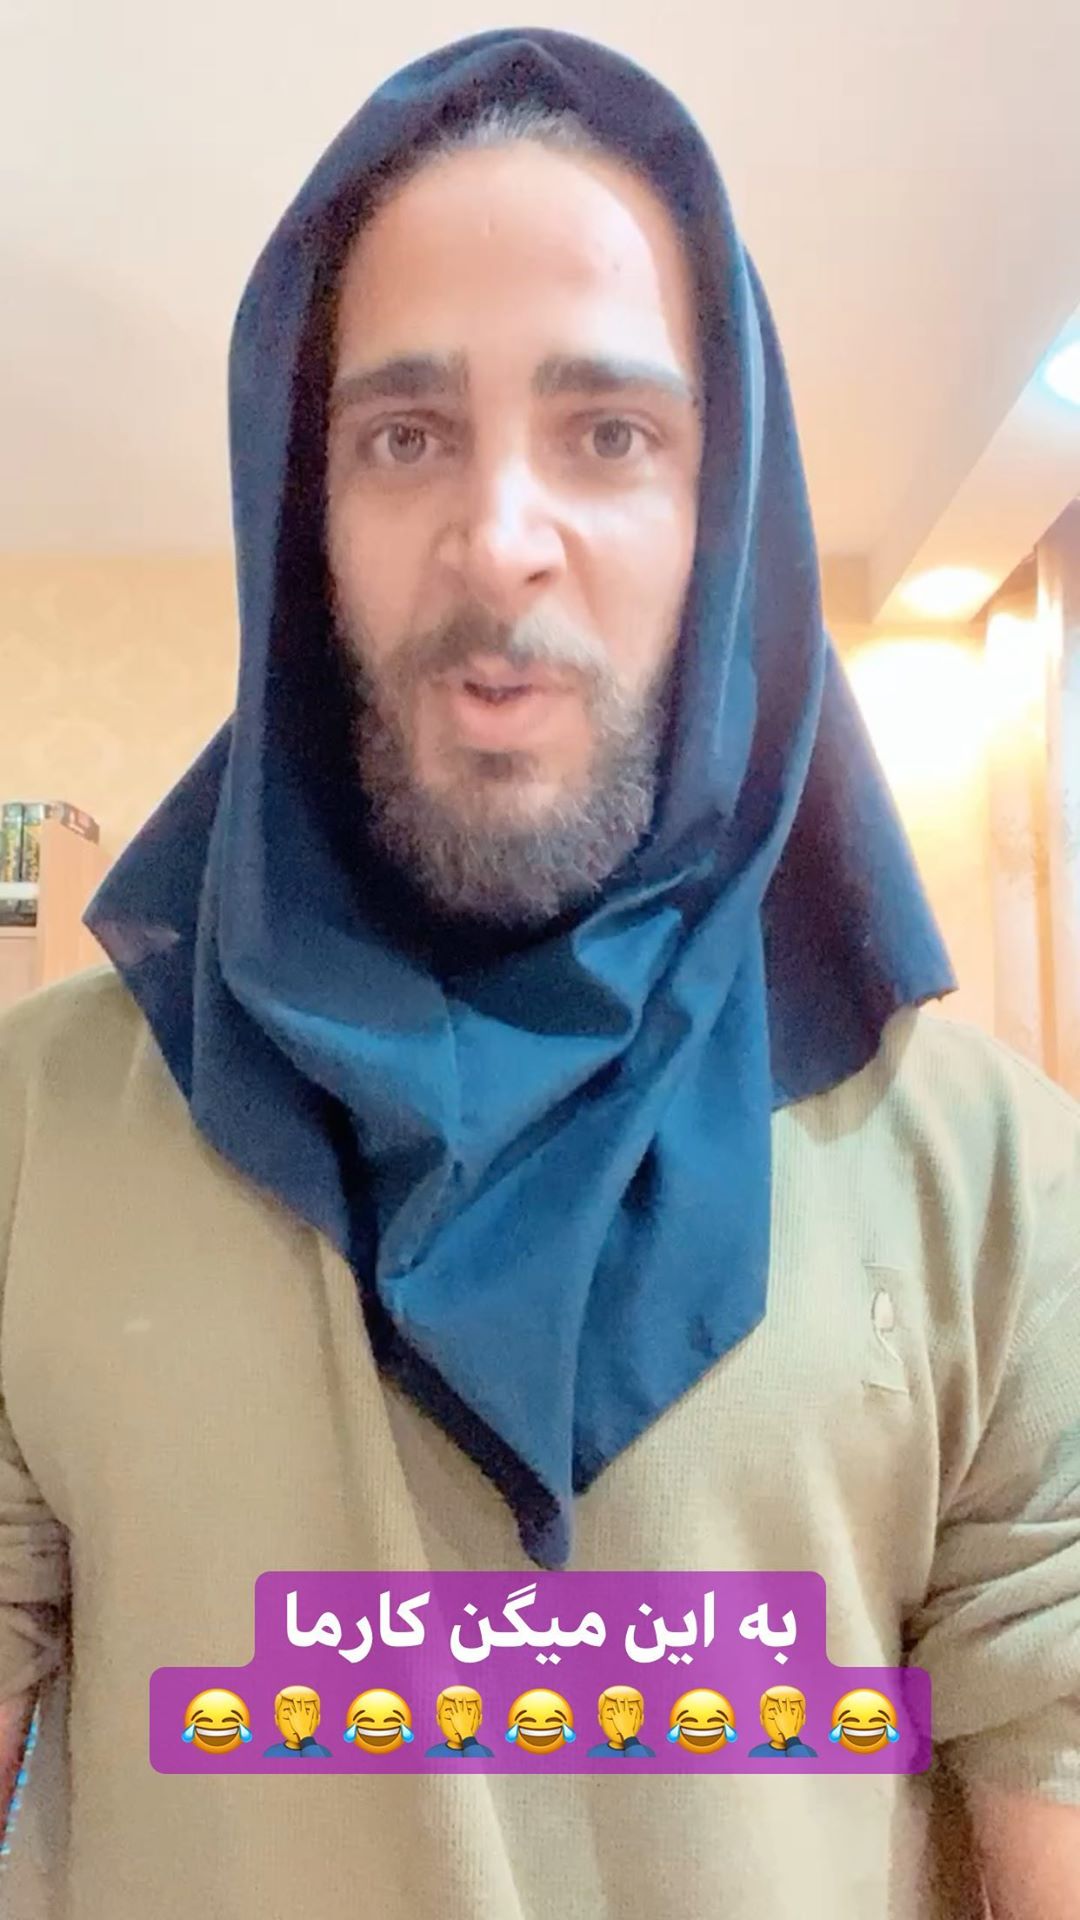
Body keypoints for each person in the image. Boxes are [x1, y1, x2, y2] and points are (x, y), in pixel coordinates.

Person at [0, 25, 1077, 1920]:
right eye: (404, 436)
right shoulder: (36, 1137)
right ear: (301, 520)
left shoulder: (985, 1179)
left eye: (611, 435)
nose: (502, 539)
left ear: (725, 523)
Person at [262, 1684, 334, 1758]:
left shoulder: (324, 1754)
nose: (297, 1725)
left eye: (306, 1716)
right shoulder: (270, 1754)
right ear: (277, 1719)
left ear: (318, 1719)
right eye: (288, 1716)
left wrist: (304, 1733)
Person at [748, 1686, 817, 1760]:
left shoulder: (809, 1753)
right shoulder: (755, 1754)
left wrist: (789, 1733)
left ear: (803, 1719)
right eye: (773, 1717)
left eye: (791, 1717)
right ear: (762, 1719)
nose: (781, 1725)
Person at [425, 1686, 494, 1759]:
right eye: (450, 1717)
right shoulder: (431, 1754)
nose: (458, 1726)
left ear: (480, 1719)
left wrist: (465, 1732)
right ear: (438, 1719)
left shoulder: (486, 1754)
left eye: (468, 1717)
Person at [587, 1685, 655, 1758]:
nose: (620, 1724)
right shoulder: (593, 1754)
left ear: (641, 1719)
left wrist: (627, 1733)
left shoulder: (648, 1754)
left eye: (630, 1715)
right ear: (600, 1719)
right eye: (612, 1716)